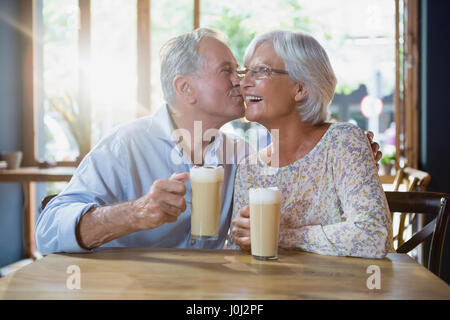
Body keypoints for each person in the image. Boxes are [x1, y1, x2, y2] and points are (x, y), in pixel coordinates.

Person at [36, 28, 382, 254]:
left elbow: (247, 241)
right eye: (227, 71)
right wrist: (133, 214)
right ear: (185, 88)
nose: (241, 82)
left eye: (245, 71)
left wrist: (344, 153)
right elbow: (47, 233)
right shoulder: (124, 146)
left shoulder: (243, 158)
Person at [229, 30, 393, 258]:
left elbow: (374, 236)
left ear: (300, 88)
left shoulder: (344, 143)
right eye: (245, 72)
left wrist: (280, 236)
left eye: (260, 71)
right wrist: (238, 238)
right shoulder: (249, 170)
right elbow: (242, 256)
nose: (243, 82)